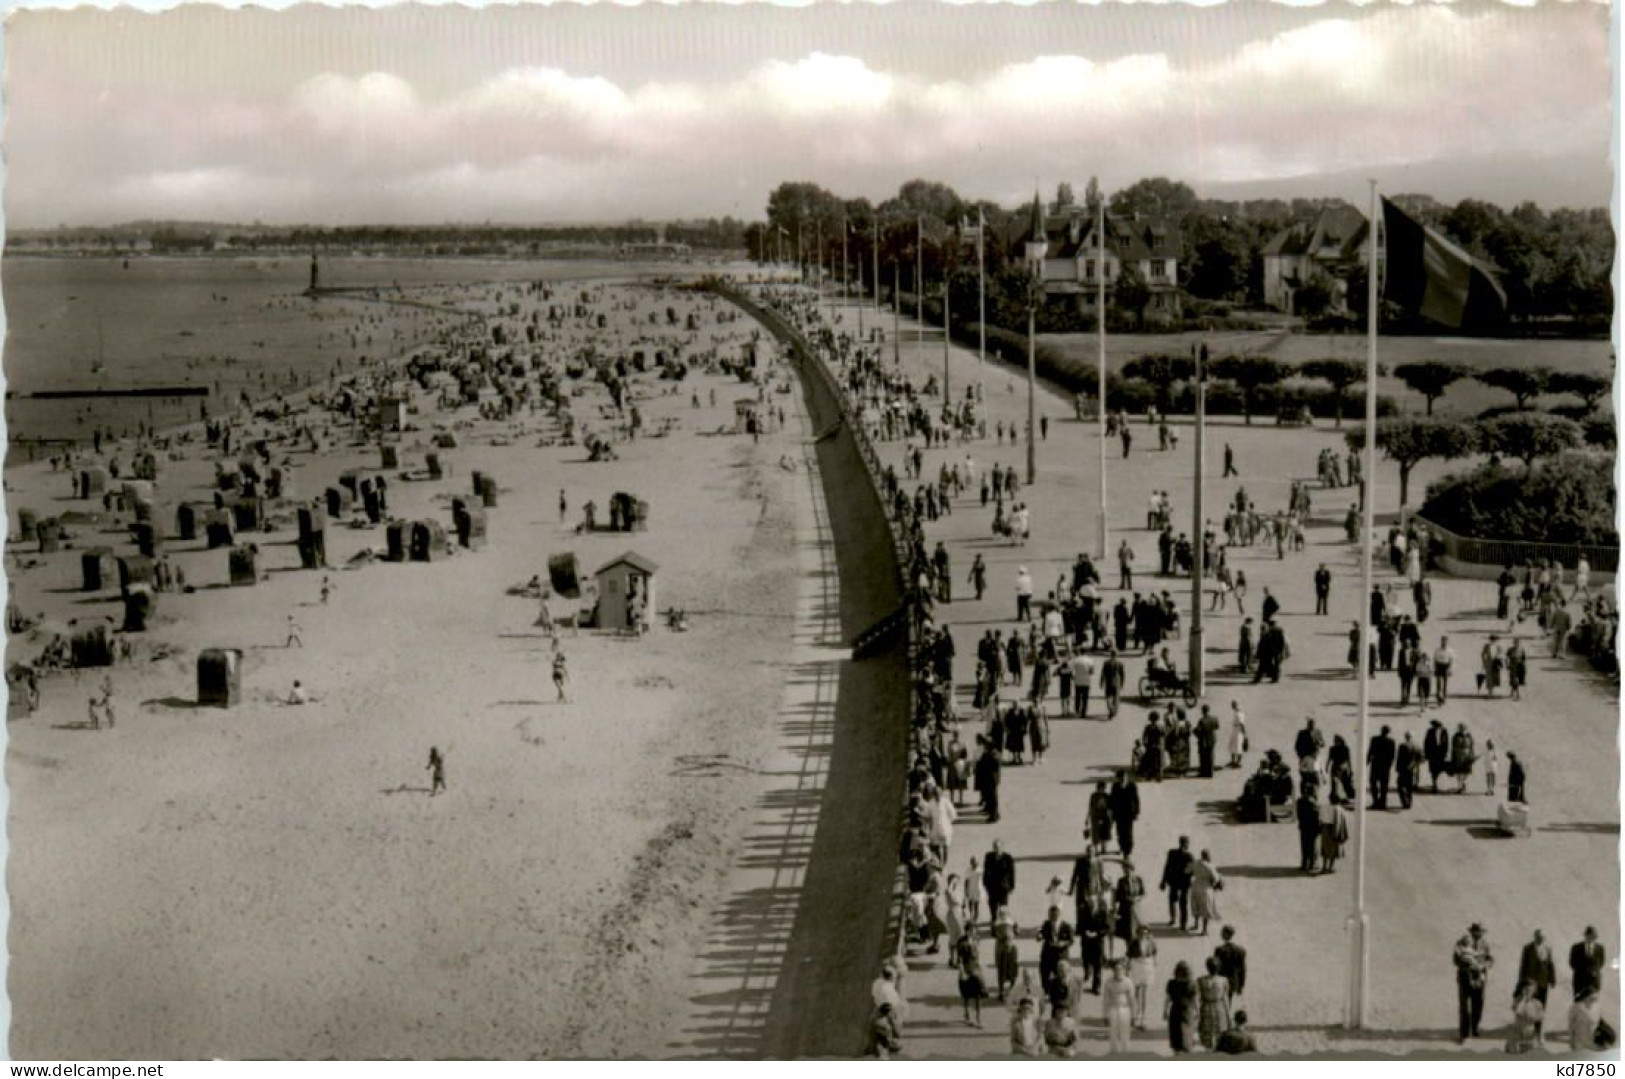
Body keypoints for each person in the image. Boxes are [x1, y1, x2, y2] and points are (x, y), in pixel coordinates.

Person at [1455, 923, 1494, 1042]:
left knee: (1478, 1005)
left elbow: (1490, 959)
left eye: (1480, 932)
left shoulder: (1485, 944)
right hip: (1465, 978)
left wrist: (1485, 966)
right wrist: (1469, 966)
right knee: (1464, 1007)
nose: (1478, 934)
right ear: (1471, 932)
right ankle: (1464, 1033)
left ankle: (1475, 1028)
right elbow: (1456, 959)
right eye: (1475, 932)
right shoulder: (1462, 942)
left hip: (1480, 979)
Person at [1518, 929, 1557, 1024]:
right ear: (1534, 937)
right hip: (1531, 982)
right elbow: (1523, 965)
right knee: (1531, 1004)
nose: (1540, 939)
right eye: (1538, 937)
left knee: (1542, 1004)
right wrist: (1521, 981)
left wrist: (1552, 979)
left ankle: (1539, 1026)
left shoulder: (1548, 948)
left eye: (1542, 938)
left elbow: (1550, 964)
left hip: (1543, 981)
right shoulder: (1527, 948)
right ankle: (1530, 1024)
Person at [951, 930, 988, 1027]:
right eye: (969, 931)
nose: (971, 933)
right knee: (966, 995)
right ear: (966, 931)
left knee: (978, 995)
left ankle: (978, 1018)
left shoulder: (975, 939)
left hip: (975, 970)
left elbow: (976, 956)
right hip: (967, 970)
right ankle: (967, 1015)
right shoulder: (962, 942)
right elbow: (959, 960)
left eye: (973, 930)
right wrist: (962, 971)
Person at [1160, 836, 1195, 931]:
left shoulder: (1172, 853)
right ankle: (1183, 923)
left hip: (1174, 881)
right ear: (1186, 844)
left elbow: (1167, 867)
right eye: (1187, 843)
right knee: (1183, 902)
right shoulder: (1189, 856)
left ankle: (1173, 919)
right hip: (1184, 883)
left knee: (1172, 900)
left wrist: (1163, 881)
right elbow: (1192, 871)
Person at [1197, 956, 1233, 1049]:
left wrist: (1196, 1012)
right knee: (1219, 1033)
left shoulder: (1200, 980)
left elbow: (1197, 998)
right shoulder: (1224, 980)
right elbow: (1225, 999)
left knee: (1206, 1035)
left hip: (1205, 1007)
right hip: (1219, 1007)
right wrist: (1229, 1016)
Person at [1127, 924, 1157, 1029]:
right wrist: (1128, 967)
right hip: (1136, 966)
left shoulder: (1151, 943)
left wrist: (1154, 964)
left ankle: (1144, 1016)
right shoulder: (1134, 943)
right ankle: (1136, 1014)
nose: (1143, 935)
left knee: (1145, 993)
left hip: (1147, 966)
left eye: (1145, 933)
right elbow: (1129, 955)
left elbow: (1154, 953)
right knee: (1136, 991)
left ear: (1148, 933)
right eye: (1140, 933)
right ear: (1137, 933)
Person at [1103, 958, 1136, 1053]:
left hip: (1125, 1010)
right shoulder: (1108, 982)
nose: (1118, 971)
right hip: (1113, 1009)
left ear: (1124, 970)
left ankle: (1125, 1053)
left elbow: (1132, 1000)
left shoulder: (1128, 982)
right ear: (1113, 970)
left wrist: (1133, 1016)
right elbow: (1105, 1000)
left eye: (1120, 969)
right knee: (1113, 1034)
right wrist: (1105, 1015)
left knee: (1125, 1033)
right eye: (1116, 969)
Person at [1164, 961, 1197, 1054]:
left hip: (1175, 1010)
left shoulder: (1171, 983)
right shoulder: (1191, 984)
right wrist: (1197, 1011)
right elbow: (1195, 1000)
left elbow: (1168, 999)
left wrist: (1165, 1011)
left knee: (1175, 1034)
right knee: (1188, 1033)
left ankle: (1176, 1053)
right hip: (1188, 1010)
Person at [1506, 981, 1546, 1053]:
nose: (1528, 992)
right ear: (1521, 990)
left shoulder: (1537, 1003)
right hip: (1517, 1032)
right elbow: (1517, 1011)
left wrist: (1540, 1036)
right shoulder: (1518, 1002)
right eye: (1525, 990)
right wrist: (1523, 1000)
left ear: (1534, 990)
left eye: (1530, 989)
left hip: (1530, 1033)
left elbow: (1540, 1018)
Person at [1190, 849, 1222, 935]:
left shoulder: (1195, 863)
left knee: (1196, 907)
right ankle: (1204, 930)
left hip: (1195, 887)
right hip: (1206, 889)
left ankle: (1196, 924)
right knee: (1206, 909)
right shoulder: (1210, 866)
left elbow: (1188, 871)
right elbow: (1216, 879)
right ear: (1207, 856)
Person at [992, 905, 1021, 1000]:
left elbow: (1016, 932)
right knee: (1006, 970)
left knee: (1006, 970)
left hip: (1006, 949)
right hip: (1007, 949)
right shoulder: (1003, 924)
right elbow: (1014, 933)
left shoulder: (1001, 924)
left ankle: (1005, 991)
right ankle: (1005, 991)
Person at [1570, 927, 1606, 1000]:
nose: (1590, 938)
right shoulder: (1576, 948)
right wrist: (1583, 972)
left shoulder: (1600, 948)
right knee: (1579, 1005)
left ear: (1595, 937)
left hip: (1594, 982)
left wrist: (1593, 972)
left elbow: (1601, 964)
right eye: (1588, 936)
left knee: (1593, 1007)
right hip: (1580, 983)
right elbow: (1572, 963)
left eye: (1592, 936)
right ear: (1585, 936)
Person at [1110, 770, 1140, 856]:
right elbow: (1112, 801)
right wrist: (1111, 813)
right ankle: (1122, 847)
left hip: (1128, 814)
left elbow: (1136, 800)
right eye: (1121, 778)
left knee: (1128, 833)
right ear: (1118, 778)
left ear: (1127, 778)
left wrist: (1136, 812)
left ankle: (1128, 850)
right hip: (1118, 814)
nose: (1123, 779)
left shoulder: (1132, 786)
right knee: (1120, 832)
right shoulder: (1115, 787)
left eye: (1124, 777)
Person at [983, 840, 1017, 916]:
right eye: (995, 847)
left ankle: (1001, 925)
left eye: (998, 847)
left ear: (1002, 847)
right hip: (992, 887)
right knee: (993, 907)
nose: (997, 849)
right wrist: (985, 883)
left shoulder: (1008, 858)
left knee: (1003, 908)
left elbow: (1012, 873)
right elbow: (986, 870)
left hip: (1003, 887)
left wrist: (1012, 886)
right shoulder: (989, 856)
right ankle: (993, 923)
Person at [1214, 925, 1247, 1001]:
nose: (1221, 934)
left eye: (1222, 933)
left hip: (1221, 979)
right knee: (1229, 1000)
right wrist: (1241, 985)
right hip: (1233, 980)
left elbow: (1216, 966)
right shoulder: (1240, 950)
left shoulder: (1219, 950)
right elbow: (1243, 969)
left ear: (1226, 934)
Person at [1367, 725, 1396, 809]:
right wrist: (1390, 766)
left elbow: (1370, 751)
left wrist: (1367, 761)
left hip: (1376, 764)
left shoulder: (1374, 739)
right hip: (1385, 766)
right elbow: (1392, 755)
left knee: (1373, 783)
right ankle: (1383, 803)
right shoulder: (1391, 741)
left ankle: (1375, 801)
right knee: (1384, 785)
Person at [1227, 702, 1247, 768]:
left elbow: (1242, 725)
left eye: (1233, 705)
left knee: (1238, 746)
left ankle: (1238, 763)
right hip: (1234, 729)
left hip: (1238, 731)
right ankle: (1232, 761)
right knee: (1232, 745)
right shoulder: (1236, 712)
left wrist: (1244, 734)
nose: (1232, 707)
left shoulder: (1239, 714)